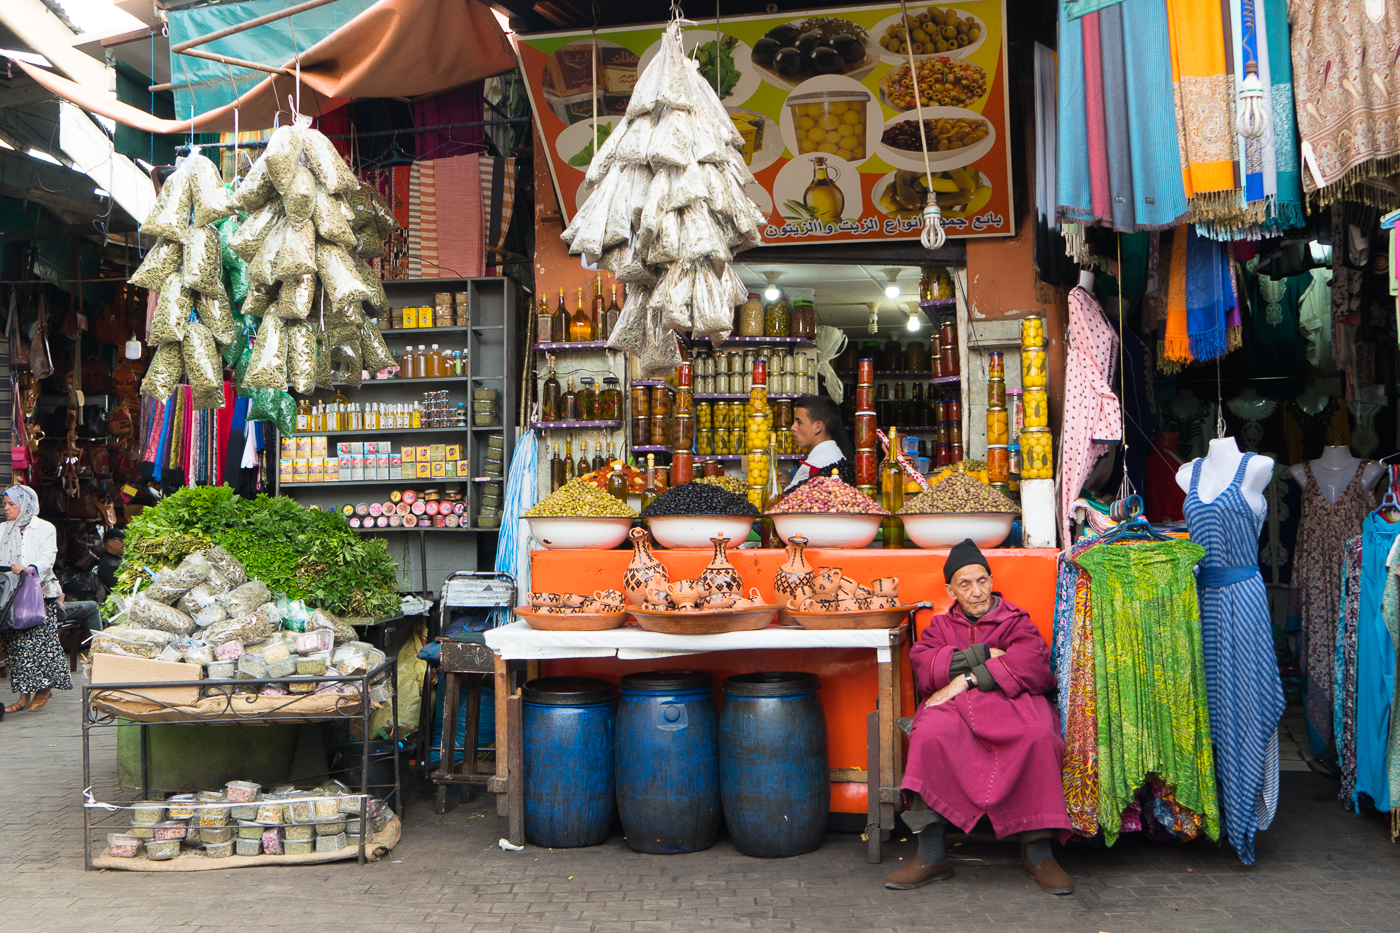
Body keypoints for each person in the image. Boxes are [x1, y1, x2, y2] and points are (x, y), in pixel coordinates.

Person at [883, 539, 1073, 895]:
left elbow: (1033, 663)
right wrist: (985, 654)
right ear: (950, 590)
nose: (977, 591)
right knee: (930, 735)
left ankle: (1038, 852)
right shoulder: (940, 627)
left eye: (982, 580)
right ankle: (930, 854)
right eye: (965, 584)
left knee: (1039, 737)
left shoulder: (1015, 620)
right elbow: (924, 665)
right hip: (953, 710)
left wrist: (968, 677)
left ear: (990, 579)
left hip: (1013, 704)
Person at [0, 485, 72, 714]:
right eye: (5, 504)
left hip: (40, 594)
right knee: (16, 646)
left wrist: (29, 568)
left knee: (42, 644)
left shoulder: (44, 528)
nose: (6, 509)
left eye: (11, 504)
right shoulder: (3, 529)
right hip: (12, 595)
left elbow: (48, 557)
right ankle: (23, 696)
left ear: (26, 505)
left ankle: (43, 691)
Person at [785, 395, 856, 491]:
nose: (793, 427)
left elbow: (786, 501)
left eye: (799, 422)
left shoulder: (814, 465)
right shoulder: (836, 455)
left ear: (817, 427)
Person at [96, 528, 124, 594]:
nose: (124, 544)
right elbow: (118, 586)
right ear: (110, 542)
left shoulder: (116, 559)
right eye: (121, 540)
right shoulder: (107, 563)